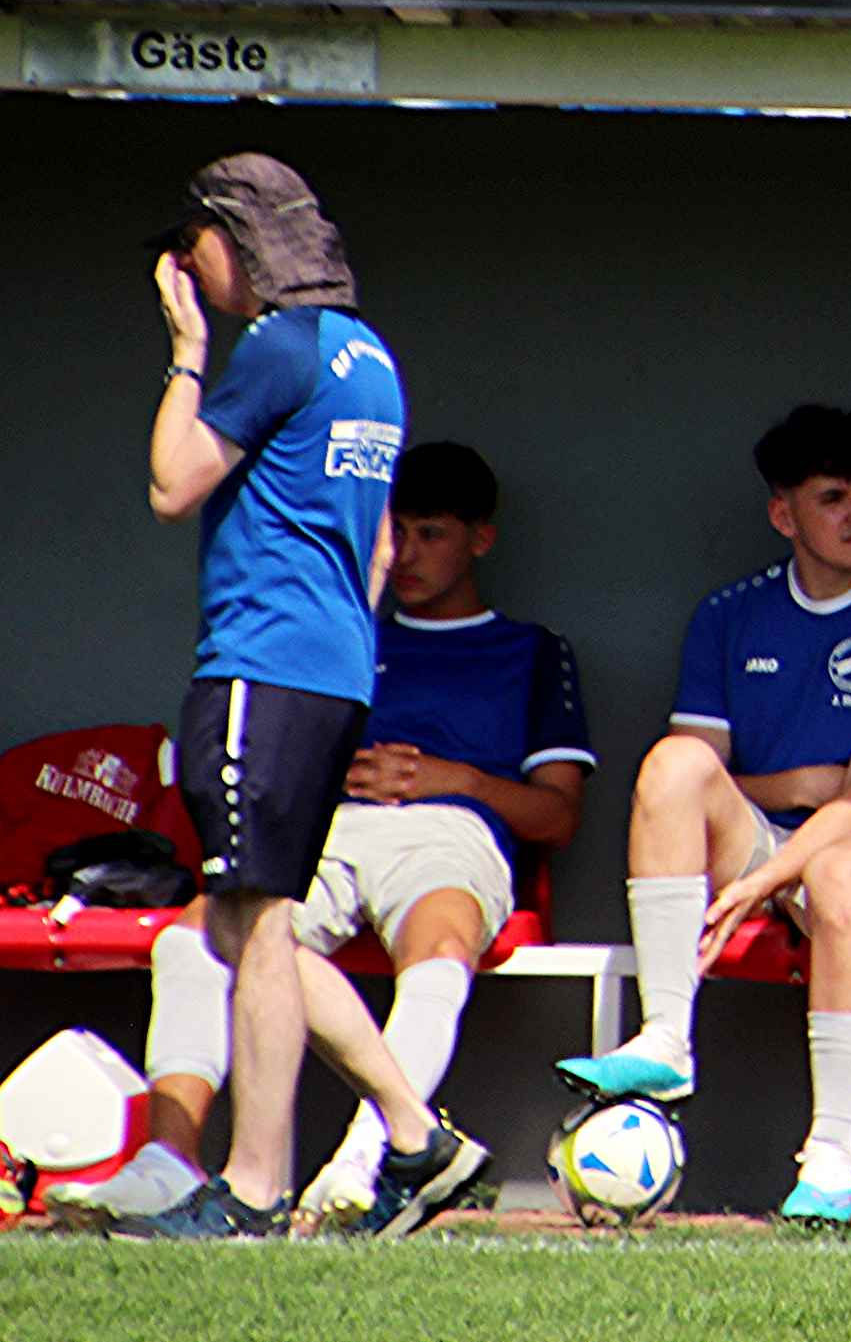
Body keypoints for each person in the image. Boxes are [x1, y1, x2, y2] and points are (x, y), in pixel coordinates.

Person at [51, 440, 592, 1230]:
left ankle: (370, 1160)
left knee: (440, 946)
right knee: (197, 935)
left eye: (431, 533)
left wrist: (455, 778)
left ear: (481, 538)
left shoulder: (532, 651)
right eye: (395, 530)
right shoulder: (347, 633)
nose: (406, 553)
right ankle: (167, 1161)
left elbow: (559, 813)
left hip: (452, 834)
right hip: (329, 828)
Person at [122, 153, 486, 1241]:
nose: (187, 268)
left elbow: (172, 483)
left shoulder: (277, 347)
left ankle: (250, 1187)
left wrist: (187, 354)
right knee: (253, 926)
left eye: (194, 246)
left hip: (260, 664)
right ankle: (418, 1137)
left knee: (257, 920)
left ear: (235, 241)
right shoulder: (370, 358)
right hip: (330, 673)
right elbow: (376, 549)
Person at [557, 404, 851, 1226]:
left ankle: (831, 1158)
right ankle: (666, 1038)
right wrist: (792, 786)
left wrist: (766, 877)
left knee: (838, 870)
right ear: (784, 515)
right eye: (832, 497)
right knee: (670, 765)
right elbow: (706, 773)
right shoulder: (729, 614)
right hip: (765, 834)